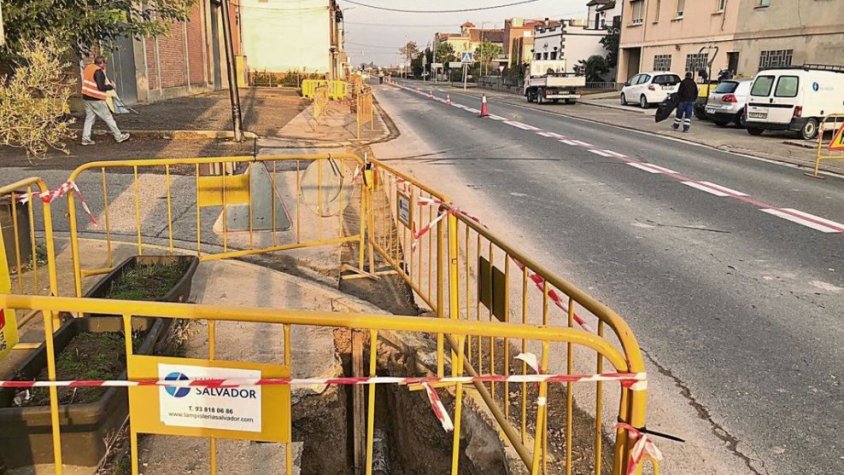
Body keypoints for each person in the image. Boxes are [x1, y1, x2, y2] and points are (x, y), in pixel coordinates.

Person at [81, 56, 130, 145]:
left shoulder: (88, 68)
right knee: (108, 117)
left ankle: (85, 138)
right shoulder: (98, 72)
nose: (105, 65)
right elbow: (101, 87)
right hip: (96, 99)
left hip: (86, 97)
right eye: (105, 63)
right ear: (101, 63)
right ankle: (118, 136)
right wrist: (111, 86)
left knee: (89, 118)